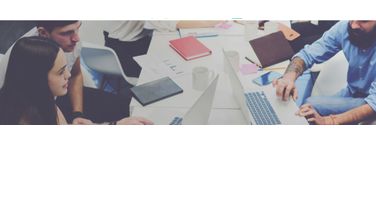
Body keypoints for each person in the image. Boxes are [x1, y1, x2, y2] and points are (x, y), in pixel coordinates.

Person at [0, 21, 132, 124]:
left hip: (56, 93)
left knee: (127, 106)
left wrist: (78, 114)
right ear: (43, 33)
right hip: (40, 102)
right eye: (66, 33)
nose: (77, 38)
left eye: (77, 28)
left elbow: (75, 74)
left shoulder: (72, 41)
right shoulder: (20, 59)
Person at [273, 21, 376, 125]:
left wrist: (330, 121)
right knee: (306, 109)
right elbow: (308, 54)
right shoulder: (345, 26)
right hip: (353, 91)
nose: (353, 25)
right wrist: (288, 77)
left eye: (363, 20)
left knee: (310, 106)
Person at [104, 20, 223, 77]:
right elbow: (173, 24)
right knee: (177, 72)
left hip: (135, 41)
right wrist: (214, 20)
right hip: (124, 50)